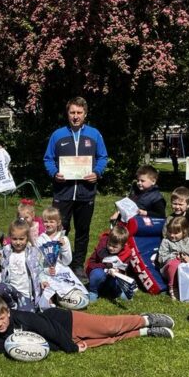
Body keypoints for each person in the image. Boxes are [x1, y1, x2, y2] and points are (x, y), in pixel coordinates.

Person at [43, 96, 108, 282]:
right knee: (58, 229)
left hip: (85, 192)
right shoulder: (57, 135)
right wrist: (54, 173)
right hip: (62, 192)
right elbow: (48, 158)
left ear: (85, 114)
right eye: (72, 112)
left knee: (82, 231)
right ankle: (55, 263)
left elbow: (103, 157)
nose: (76, 116)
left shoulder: (94, 134)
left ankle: (78, 265)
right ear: (67, 114)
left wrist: (97, 172)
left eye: (79, 112)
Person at [0, 297, 175, 355]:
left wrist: (71, 347)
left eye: (1, 317)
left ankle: (146, 319)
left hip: (65, 322)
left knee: (109, 327)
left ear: (8, 312)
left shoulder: (21, 317)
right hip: (63, 341)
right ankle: (146, 332)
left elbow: (48, 328)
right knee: (107, 340)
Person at [0, 220, 46, 312]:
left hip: (26, 293)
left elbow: (40, 269)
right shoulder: (7, 252)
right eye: (14, 239)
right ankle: (12, 305)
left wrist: (43, 280)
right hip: (12, 289)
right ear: (10, 237)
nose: (18, 242)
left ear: (27, 238)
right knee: (0, 288)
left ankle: (21, 306)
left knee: (27, 316)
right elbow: (4, 271)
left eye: (21, 239)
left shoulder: (33, 253)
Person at [157, 216, 189, 300]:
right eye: (170, 232)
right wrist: (174, 256)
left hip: (185, 270)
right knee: (174, 264)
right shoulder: (166, 241)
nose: (172, 235)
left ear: (184, 232)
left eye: (176, 233)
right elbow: (161, 258)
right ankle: (173, 287)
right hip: (169, 269)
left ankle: (187, 286)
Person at [85, 224, 134, 302]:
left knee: (119, 282)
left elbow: (123, 269)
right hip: (99, 273)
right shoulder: (102, 247)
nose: (111, 248)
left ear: (122, 246)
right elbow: (91, 264)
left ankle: (117, 292)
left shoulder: (126, 253)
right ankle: (93, 291)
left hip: (113, 277)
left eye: (115, 247)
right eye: (109, 244)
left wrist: (118, 271)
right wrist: (106, 268)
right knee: (97, 274)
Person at [36, 206, 72, 274]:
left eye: (51, 222)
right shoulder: (40, 240)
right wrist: (47, 270)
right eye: (46, 222)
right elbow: (37, 260)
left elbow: (67, 261)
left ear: (58, 222)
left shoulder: (64, 239)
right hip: (44, 271)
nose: (48, 224)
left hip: (62, 270)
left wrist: (64, 247)